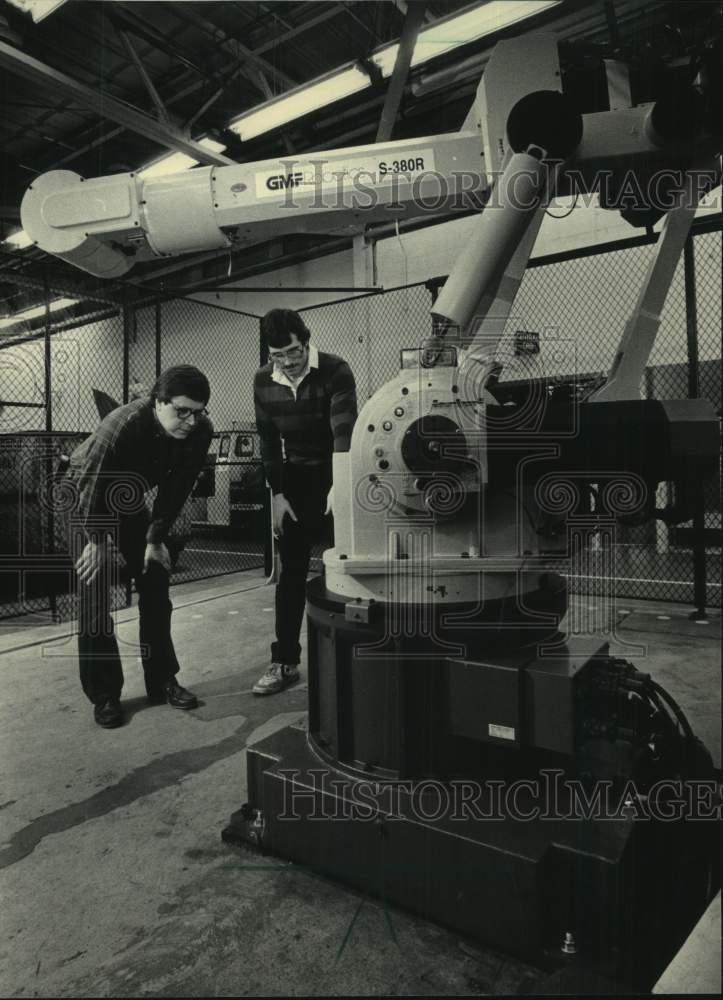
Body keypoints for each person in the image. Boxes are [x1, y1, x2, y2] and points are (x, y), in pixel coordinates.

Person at [67, 365, 213, 728]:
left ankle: (162, 679)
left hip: (129, 500)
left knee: (155, 580)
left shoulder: (200, 431)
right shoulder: (121, 424)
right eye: (181, 411)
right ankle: (104, 696)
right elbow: (92, 485)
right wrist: (97, 541)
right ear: (157, 402)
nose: (190, 421)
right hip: (83, 494)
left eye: (198, 411)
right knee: (95, 592)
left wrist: (155, 539)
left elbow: (177, 487)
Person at [252, 309, 357, 695]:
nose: (288, 361)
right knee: (291, 575)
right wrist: (277, 494)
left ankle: (356, 656)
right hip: (294, 480)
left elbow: (343, 430)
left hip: (337, 470)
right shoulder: (263, 380)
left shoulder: (335, 370)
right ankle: (284, 663)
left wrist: (340, 485)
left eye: (293, 351)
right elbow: (267, 443)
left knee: (349, 568)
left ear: (306, 340)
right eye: (278, 355)